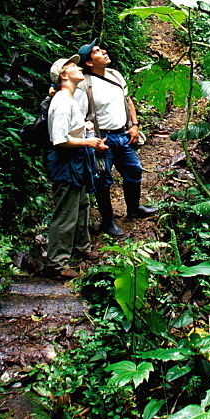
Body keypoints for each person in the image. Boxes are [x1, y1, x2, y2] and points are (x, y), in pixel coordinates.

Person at [75, 39, 157, 237]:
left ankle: (134, 208)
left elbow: (128, 100)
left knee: (134, 170)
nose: (103, 51)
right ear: (88, 62)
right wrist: (92, 141)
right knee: (103, 180)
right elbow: (78, 117)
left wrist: (135, 126)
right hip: (103, 139)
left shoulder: (115, 75)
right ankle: (108, 220)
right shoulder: (84, 85)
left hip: (123, 134)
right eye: (97, 51)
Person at [43, 54, 109, 280]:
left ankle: (81, 247)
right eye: (73, 66)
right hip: (66, 163)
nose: (79, 68)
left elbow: (70, 130)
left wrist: (84, 127)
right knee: (66, 213)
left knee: (82, 205)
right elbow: (59, 139)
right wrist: (88, 141)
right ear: (63, 75)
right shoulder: (62, 102)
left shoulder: (68, 100)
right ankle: (56, 264)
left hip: (77, 161)